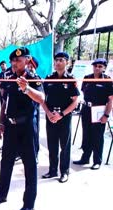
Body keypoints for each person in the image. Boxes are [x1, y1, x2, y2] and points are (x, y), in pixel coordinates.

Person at [0, 47, 44, 210]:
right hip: (10, 126)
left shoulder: (34, 79)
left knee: (29, 166)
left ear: (27, 61)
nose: (15, 63)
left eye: (19, 60)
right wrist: (1, 122)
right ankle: (1, 194)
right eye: (13, 61)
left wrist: (27, 88)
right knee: (6, 163)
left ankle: (29, 205)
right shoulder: (9, 78)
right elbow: (5, 101)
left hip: (26, 127)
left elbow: (41, 98)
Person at [41, 52, 79, 183]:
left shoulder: (71, 79)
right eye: (56, 60)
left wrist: (61, 114)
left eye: (61, 60)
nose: (58, 62)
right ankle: (52, 170)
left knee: (65, 146)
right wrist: (48, 113)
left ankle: (64, 172)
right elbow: (42, 99)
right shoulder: (49, 78)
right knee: (52, 145)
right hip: (51, 117)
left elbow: (75, 102)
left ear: (67, 62)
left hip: (64, 117)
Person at [73, 58, 113, 170]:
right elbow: (83, 92)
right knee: (86, 135)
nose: (97, 68)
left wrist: (106, 115)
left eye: (100, 66)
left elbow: (110, 100)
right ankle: (85, 158)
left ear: (104, 68)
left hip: (99, 111)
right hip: (86, 109)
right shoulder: (87, 78)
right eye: (95, 66)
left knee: (98, 137)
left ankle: (97, 161)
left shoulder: (107, 80)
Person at [28, 57, 41, 160]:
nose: (29, 67)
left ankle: (35, 154)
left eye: (31, 65)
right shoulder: (23, 76)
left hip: (34, 110)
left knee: (34, 134)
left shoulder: (36, 78)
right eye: (28, 65)